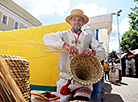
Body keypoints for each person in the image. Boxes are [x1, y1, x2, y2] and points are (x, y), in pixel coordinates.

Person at [43, 9, 106, 101]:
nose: (77, 22)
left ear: (83, 23)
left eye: (79, 20)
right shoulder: (63, 35)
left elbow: (102, 52)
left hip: (83, 83)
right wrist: (66, 46)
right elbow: (47, 38)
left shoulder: (89, 37)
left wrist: (92, 51)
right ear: (70, 22)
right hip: (64, 81)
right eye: (74, 20)